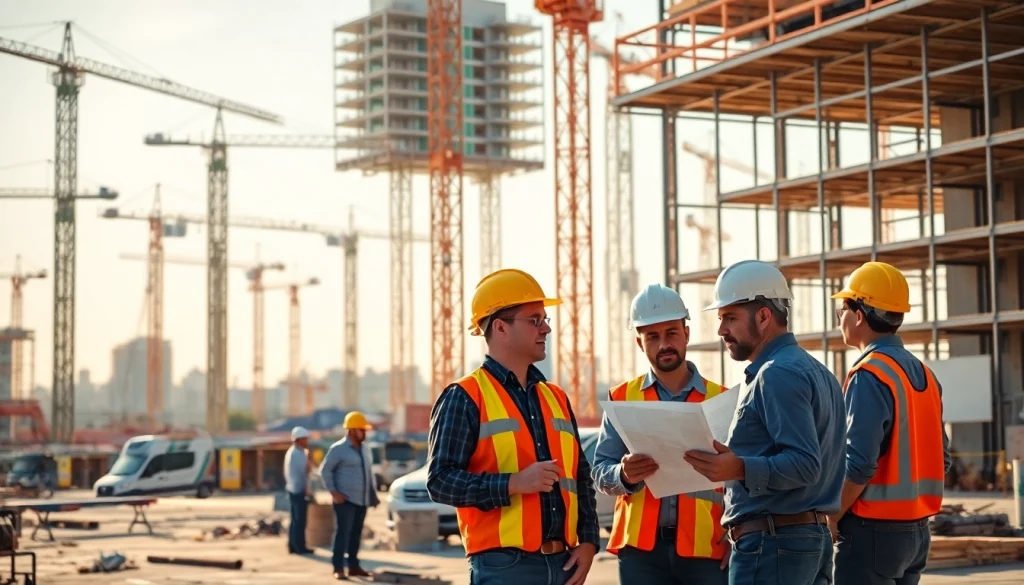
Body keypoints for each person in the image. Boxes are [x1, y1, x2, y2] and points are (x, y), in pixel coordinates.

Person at [426, 268, 600, 585]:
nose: (546, 328)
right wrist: (513, 483)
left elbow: (580, 475)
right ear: (501, 328)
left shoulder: (556, 397)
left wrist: (588, 541)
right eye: (535, 319)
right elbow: (440, 481)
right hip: (504, 566)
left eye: (545, 319)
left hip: (564, 563)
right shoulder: (464, 396)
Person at [683, 259, 846, 585]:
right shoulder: (819, 373)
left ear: (763, 316)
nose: (721, 330)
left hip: (774, 545)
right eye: (720, 318)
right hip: (804, 541)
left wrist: (739, 468)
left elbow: (805, 464)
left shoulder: (777, 374)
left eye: (730, 317)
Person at [592, 283, 730, 585]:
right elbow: (600, 472)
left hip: (707, 549)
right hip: (640, 553)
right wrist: (623, 475)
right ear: (640, 343)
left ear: (687, 334)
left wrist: (737, 535)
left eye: (671, 333)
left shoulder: (721, 400)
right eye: (652, 336)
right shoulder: (622, 398)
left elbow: (741, 480)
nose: (664, 344)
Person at [828, 261, 951, 585]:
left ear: (859, 315)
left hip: (872, 533)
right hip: (917, 533)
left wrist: (833, 515)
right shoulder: (925, 374)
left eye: (842, 310)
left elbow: (858, 464)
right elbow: (943, 459)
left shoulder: (869, 374)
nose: (839, 319)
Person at [319, 411, 380, 580]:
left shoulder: (365, 449)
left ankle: (353, 566)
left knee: (356, 534)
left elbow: (369, 474)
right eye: (362, 430)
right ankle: (338, 567)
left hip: (362, 499)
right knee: (343, 534)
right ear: (352, 430)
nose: (364, 433)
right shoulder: (338, 449)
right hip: (345, 500)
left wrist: (373, 495)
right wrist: (334, 492)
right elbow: (325, 471)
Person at [285, 426, 314, 555]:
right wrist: (306, 489)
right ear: (298, 439)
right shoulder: (297, 454)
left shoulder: (296, 452)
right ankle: (299, 547)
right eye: (304, 439)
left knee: (295, 519)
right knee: (299, 520)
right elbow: (304, 472)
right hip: (298, 490)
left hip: (293, 489)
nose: (307, 441)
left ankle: (293, 545)